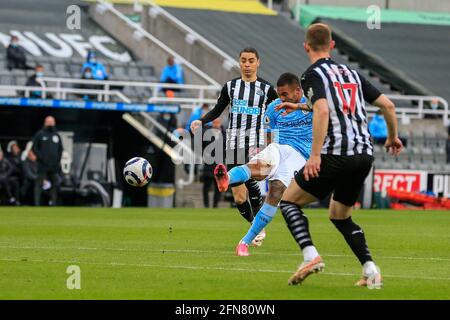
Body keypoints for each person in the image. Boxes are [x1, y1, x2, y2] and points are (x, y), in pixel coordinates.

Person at [276, 23, 403, 288]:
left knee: (288, 202)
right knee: (339, 215)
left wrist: (314, 156)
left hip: (335, 154)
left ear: (306, 46)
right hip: (363, 156)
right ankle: (371, 270)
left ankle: (310, 255)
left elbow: (323, 111)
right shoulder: (352, 74)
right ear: (332, 45)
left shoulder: (311, 75)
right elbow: (388, 106)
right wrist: (392, 138)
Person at [214, 72, 316, 255]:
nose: (281, 98)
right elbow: (269, 136)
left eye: (285, 94)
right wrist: (266, 151)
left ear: (298, 90)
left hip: (300, 155)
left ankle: (244, 242)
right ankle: (226, 178)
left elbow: (326, 109)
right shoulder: (273, 108)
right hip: (278, 147)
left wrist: (297, 105)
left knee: (275, 192)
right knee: (259, 168)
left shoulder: (311, 103)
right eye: (279, 94)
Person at [191, 47, 278, 242]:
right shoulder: (230, 87)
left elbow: (277, 114)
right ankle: (255, 225)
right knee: (239, 198)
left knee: (248, 177)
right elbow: (217, 109)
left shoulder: (267, 90)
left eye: (251, 61)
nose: (247, 65)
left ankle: (255, 228)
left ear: (258, 63)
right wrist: (201, 121)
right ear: (239, 62)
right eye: (244, 60)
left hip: (255, 145)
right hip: (233, 146)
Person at [32, 116, 63, 206]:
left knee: (54, 184)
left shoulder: (56, 135)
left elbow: (60, 149)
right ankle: (37, 204)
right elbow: (34, 148)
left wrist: (58, 159)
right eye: (48, 122)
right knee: (39, 183)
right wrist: (40, 157)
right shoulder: (40, 134)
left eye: (52, 122)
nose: (50, 124)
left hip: (54, 165)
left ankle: (53, 203)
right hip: (42, 164)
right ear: (45, 123)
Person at [202, 118, 225, 208]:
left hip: (219, 164)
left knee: (218, 186)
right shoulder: (206, 134)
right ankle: (206, 205)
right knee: (206, 186)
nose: (216, 125)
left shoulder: (224, 134)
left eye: (217, 123)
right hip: (208, 163)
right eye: (214, 123)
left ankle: (215, 205)